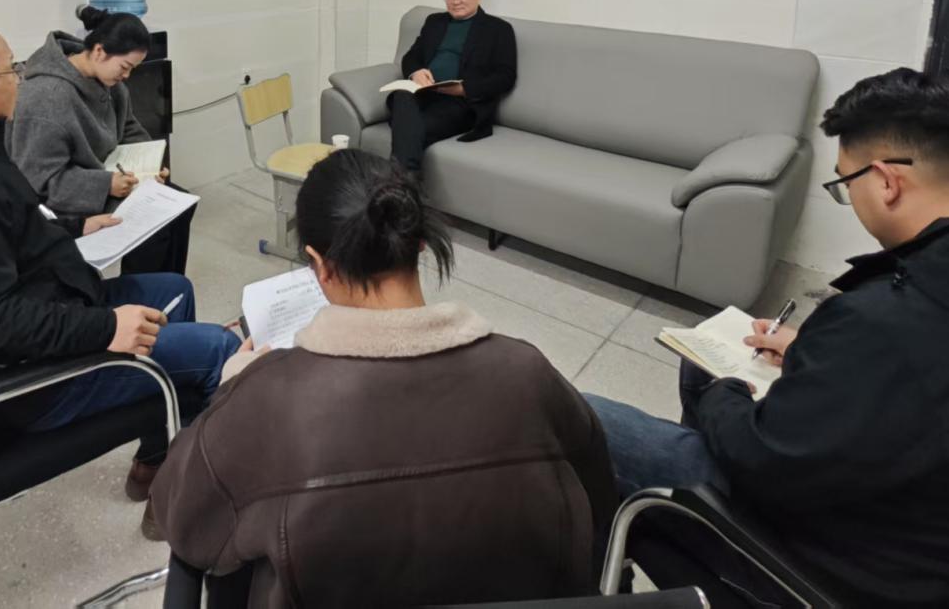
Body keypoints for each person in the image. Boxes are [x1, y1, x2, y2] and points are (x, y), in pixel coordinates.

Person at [585, 68, 949, 607]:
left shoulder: (887, 319)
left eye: (846, 184)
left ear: (886, 181)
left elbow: (766, 456)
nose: (851, 200)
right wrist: (814, 352)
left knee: (587, 413)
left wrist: (726, 394)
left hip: (834, 569)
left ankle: (682, 537)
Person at [151, 150, 616, 607]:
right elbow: (599, 508)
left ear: (319, 264)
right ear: (419, 243)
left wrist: (233, 386)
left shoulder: (266, 399)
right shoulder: (527, 372)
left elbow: (181, 516)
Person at [0, 11, 242, 540]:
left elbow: (14, 223)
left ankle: (157, 460)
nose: (21, 77)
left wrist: (77, 224)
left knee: (174, 290)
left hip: (54, 303)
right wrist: (107, 329)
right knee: (218, 349)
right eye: (10, 69)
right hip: (38, 378)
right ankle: (189, 507)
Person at [6, 5, 194, 275]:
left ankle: (169, 289)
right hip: (64, 200)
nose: (126, 76)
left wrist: (151, 167)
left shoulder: (109, 83)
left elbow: (129, 128)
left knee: (180, 204)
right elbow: (39, 181)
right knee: (154, 223)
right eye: (125, 67)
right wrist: (106, 185)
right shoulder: (46, 98)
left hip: (106, 178)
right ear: (99, 51)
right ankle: (141, 295)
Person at [389, 0, 517, 174]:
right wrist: (416, 72)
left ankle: (399, 181)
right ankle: (402, 185)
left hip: (461, 104)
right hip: (424, 94)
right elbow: (411, 56)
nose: (455, 1)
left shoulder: (499, 29)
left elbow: (506, 76)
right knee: (401, 95)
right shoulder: (434, 22)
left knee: (409, 127)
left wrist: (464, 89)